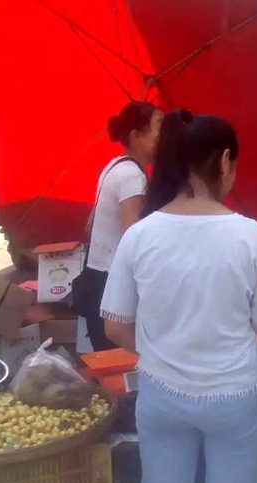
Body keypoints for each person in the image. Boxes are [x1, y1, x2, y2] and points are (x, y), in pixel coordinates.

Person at [100, 109, 257, 483]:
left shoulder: (141, 234)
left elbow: (114, 324)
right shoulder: (250, 235)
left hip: (162, 395)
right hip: (236, 397)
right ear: (224, 161)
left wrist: (161, 349)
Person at [81, 101, 163, 350]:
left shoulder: (114, 166)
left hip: (97, 277)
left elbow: (89, 226)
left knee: (108, 359)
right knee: (122, 360)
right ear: (136, 136)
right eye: (159, 126)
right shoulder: (132, 176)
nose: (165, 136)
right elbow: (133, 238)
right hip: (112, 284)